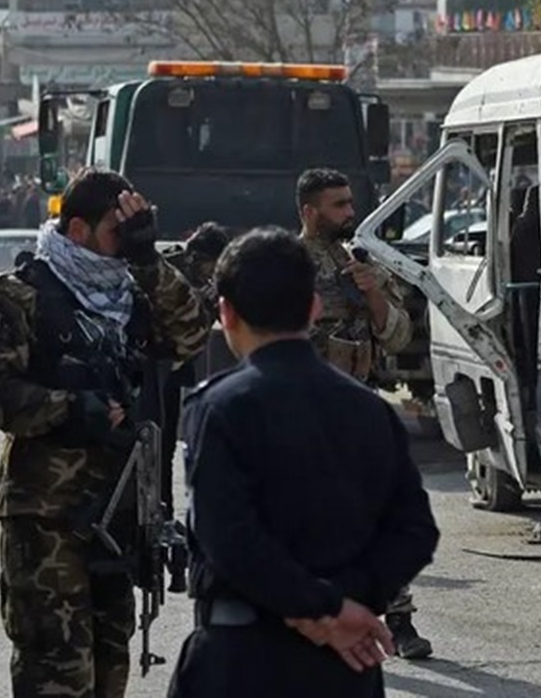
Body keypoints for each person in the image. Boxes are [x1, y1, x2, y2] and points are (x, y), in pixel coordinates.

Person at [166, 227, 440, 698]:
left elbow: (229, 539)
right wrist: (348, 604)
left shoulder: (220, 408)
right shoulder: (369, 410)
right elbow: (414, 530)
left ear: (226, 312)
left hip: (240, 662)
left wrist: (320, 608)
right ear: (314, 307)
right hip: (342, 664)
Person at [0, 169, 211, 698]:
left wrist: (147, 257)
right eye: (120, 231)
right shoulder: (22, 296)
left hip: (118, 514)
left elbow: (191, 333)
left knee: (110, 668)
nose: (127, 243)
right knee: (57, 669)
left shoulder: (132, 294)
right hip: (47, 516)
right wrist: (70, 409)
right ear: (78, 230)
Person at [295, 167, 434, 659]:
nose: (350, 213)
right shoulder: (288, 265)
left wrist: (373, 291)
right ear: (309, 211)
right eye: (338, 205)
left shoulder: (362, 260)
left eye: (350, 203)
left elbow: (397, 335)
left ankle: (399, 620)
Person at [158, 222, 231, 517]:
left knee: (167, 446)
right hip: (154, 367)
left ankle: (165, 511)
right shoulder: (167, 270)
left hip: (177, 369)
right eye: (211, 265)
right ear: (196, 257)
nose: (213, 272)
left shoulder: (212, 282)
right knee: (156, 443)